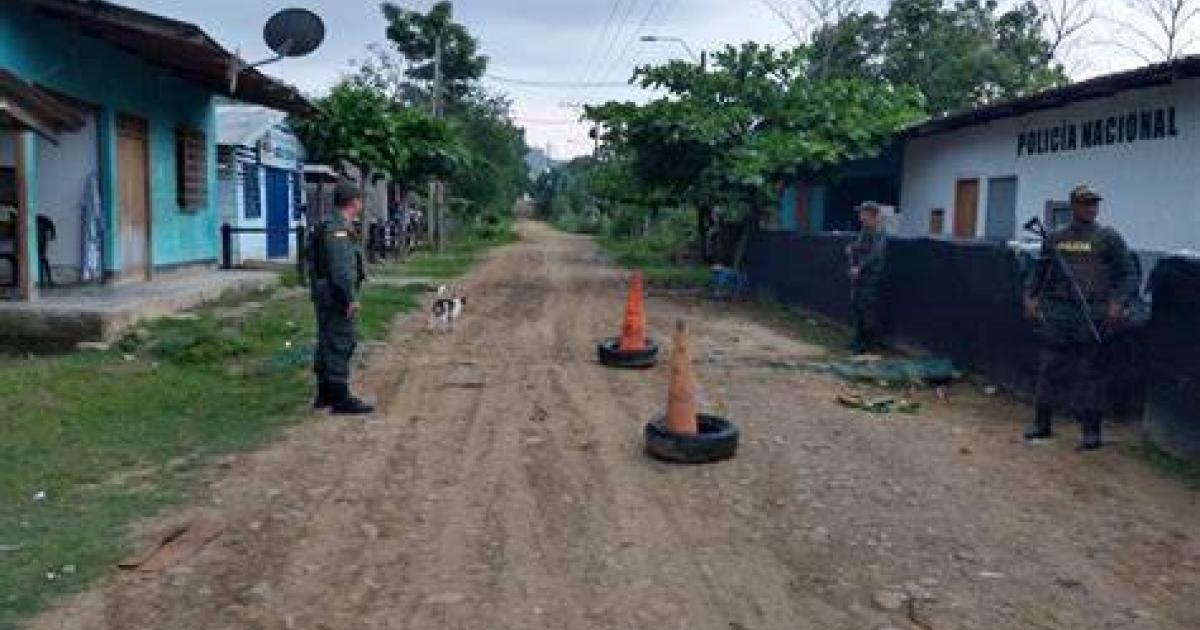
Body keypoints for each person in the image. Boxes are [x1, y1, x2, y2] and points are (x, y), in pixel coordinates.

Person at [1022, 184, 1137, 451]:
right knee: (1050, 368)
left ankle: (1091, 431)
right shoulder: (1056, 238)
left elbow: (1128, 274)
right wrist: (1030, 296)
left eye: (1094, 204)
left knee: (1092, 372)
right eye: (1085, 203)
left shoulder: (1108, 238)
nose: (1090, 208)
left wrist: (1117, 303)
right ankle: (1042, 423)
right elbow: (1039, 271)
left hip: (1092, 313)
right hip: (1059, 313)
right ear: (1073, 206)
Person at [309, 181, 374, 415]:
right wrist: (350, 298)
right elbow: (341, 269)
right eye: (360, 199)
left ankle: (325, 393)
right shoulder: (337, 229)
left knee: (327, 340)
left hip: (326, 293)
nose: (362, 204)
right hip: (336, 295)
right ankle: (340, 397)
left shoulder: (331, 225)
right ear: (353, 201)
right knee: (340, 340)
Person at [846, 201, 888, 354]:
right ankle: (858, 340)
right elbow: (860, 244)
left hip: (871, 275)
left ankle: (868, 343)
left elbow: (876, 254)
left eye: (863, 213)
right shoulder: (865, 229)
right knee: (857, 306)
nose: (860, 216)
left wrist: (859, 267)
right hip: (861, 275)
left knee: (867, 309)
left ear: (871, 214)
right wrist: (852, 247)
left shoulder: (879, 231)